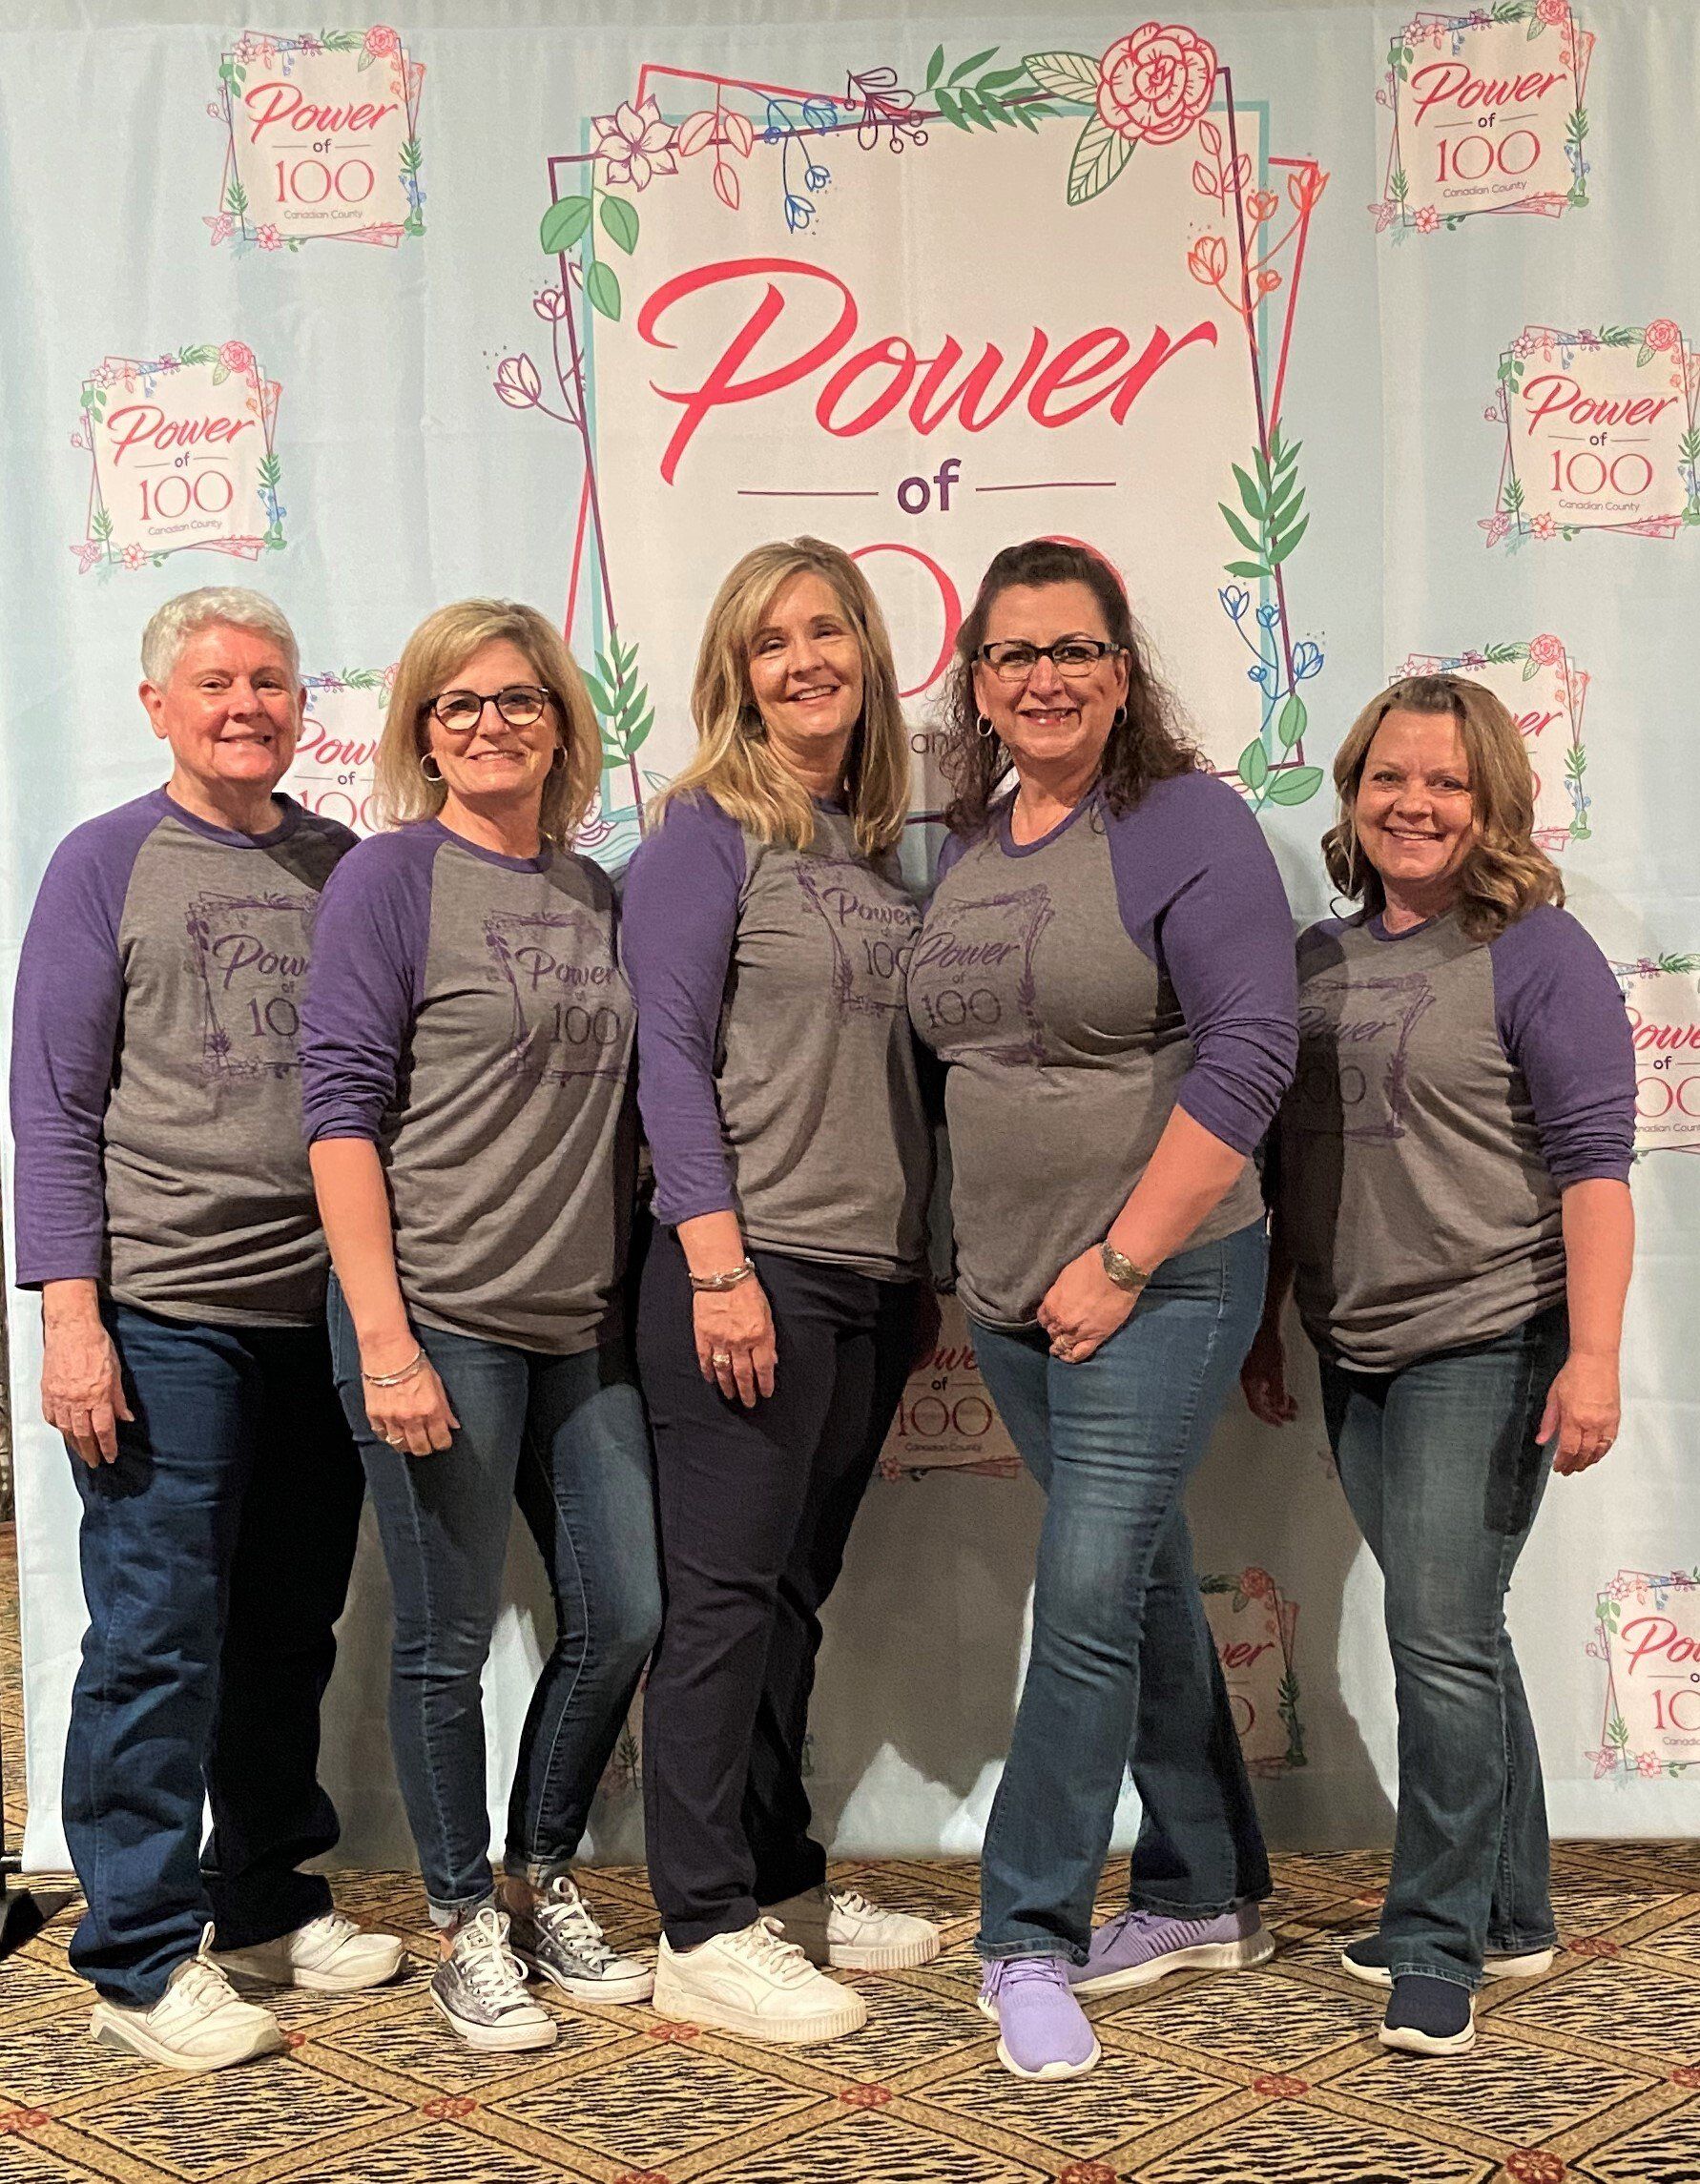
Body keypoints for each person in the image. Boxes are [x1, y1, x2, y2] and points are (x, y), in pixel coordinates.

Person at [909, 539, 1297, 2081]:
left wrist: (1124, 1256)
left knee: (1077, 1600)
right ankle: (1206, 1889)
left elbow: (1252, 1049)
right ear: (978, 683)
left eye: (1073, 650)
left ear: (1119, 670)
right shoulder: (965, 842)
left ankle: (1026, 1932)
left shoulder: (1182, 821)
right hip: (1009, 1287)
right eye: (1012, 655)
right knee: (1131, 1583)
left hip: (1163, 1275)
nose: (1044, 679)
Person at [8, 587, 402, 2071]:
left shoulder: (342, 866)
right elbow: (50, 1104)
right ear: (157, 702)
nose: (247, 702)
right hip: (162, 1311)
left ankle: (262, 1895)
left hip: (326, 1311)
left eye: (272, 681)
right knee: (158, 1636)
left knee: (285, 1627)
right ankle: (136, 1948)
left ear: (304, 707)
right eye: (216, 680)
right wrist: (69, 1315)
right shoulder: (102, 862)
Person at [1242, 673, 1635, 2057]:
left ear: (1493, 805)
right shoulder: (1311, 960)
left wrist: (1591, 1359)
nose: (1414, 804)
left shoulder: (1538, 953)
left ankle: (1434, 1938)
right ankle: (1513, 1908)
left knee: (1435, 1637)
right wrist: (1268, 1317)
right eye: (1388, 778)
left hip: (1493, 1338)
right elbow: (1292, 1162)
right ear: (1350, 793)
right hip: (1353, 1344)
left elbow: (1594, 1168)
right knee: (1454, 1628)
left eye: (1447, 783)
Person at [300, 600, 659, 2053]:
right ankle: (463, 1922)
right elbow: (337, 1114)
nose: (490, 723)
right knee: (445, 1639)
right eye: (457, 705)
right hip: (433, 1313)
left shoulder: (597, 891)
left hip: (577, 1320)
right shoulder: (391, 878)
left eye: (517, 699)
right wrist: (383, 1339)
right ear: (420, 730)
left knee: (623, 1607)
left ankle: (544, 1869)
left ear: (563, 723)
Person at [621, 537, 941, 2044]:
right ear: (733, 674)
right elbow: (667, 1057)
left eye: (827, 629)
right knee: (721, 1602)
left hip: (868, 1276)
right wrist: (716, 1262)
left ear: (869, 652)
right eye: (770, 640)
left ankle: (776, 1880)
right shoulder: (704, 834)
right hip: (747, 1269)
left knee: (790, 1600)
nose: (803, 657)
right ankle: (695, 1921)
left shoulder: (879, 846)